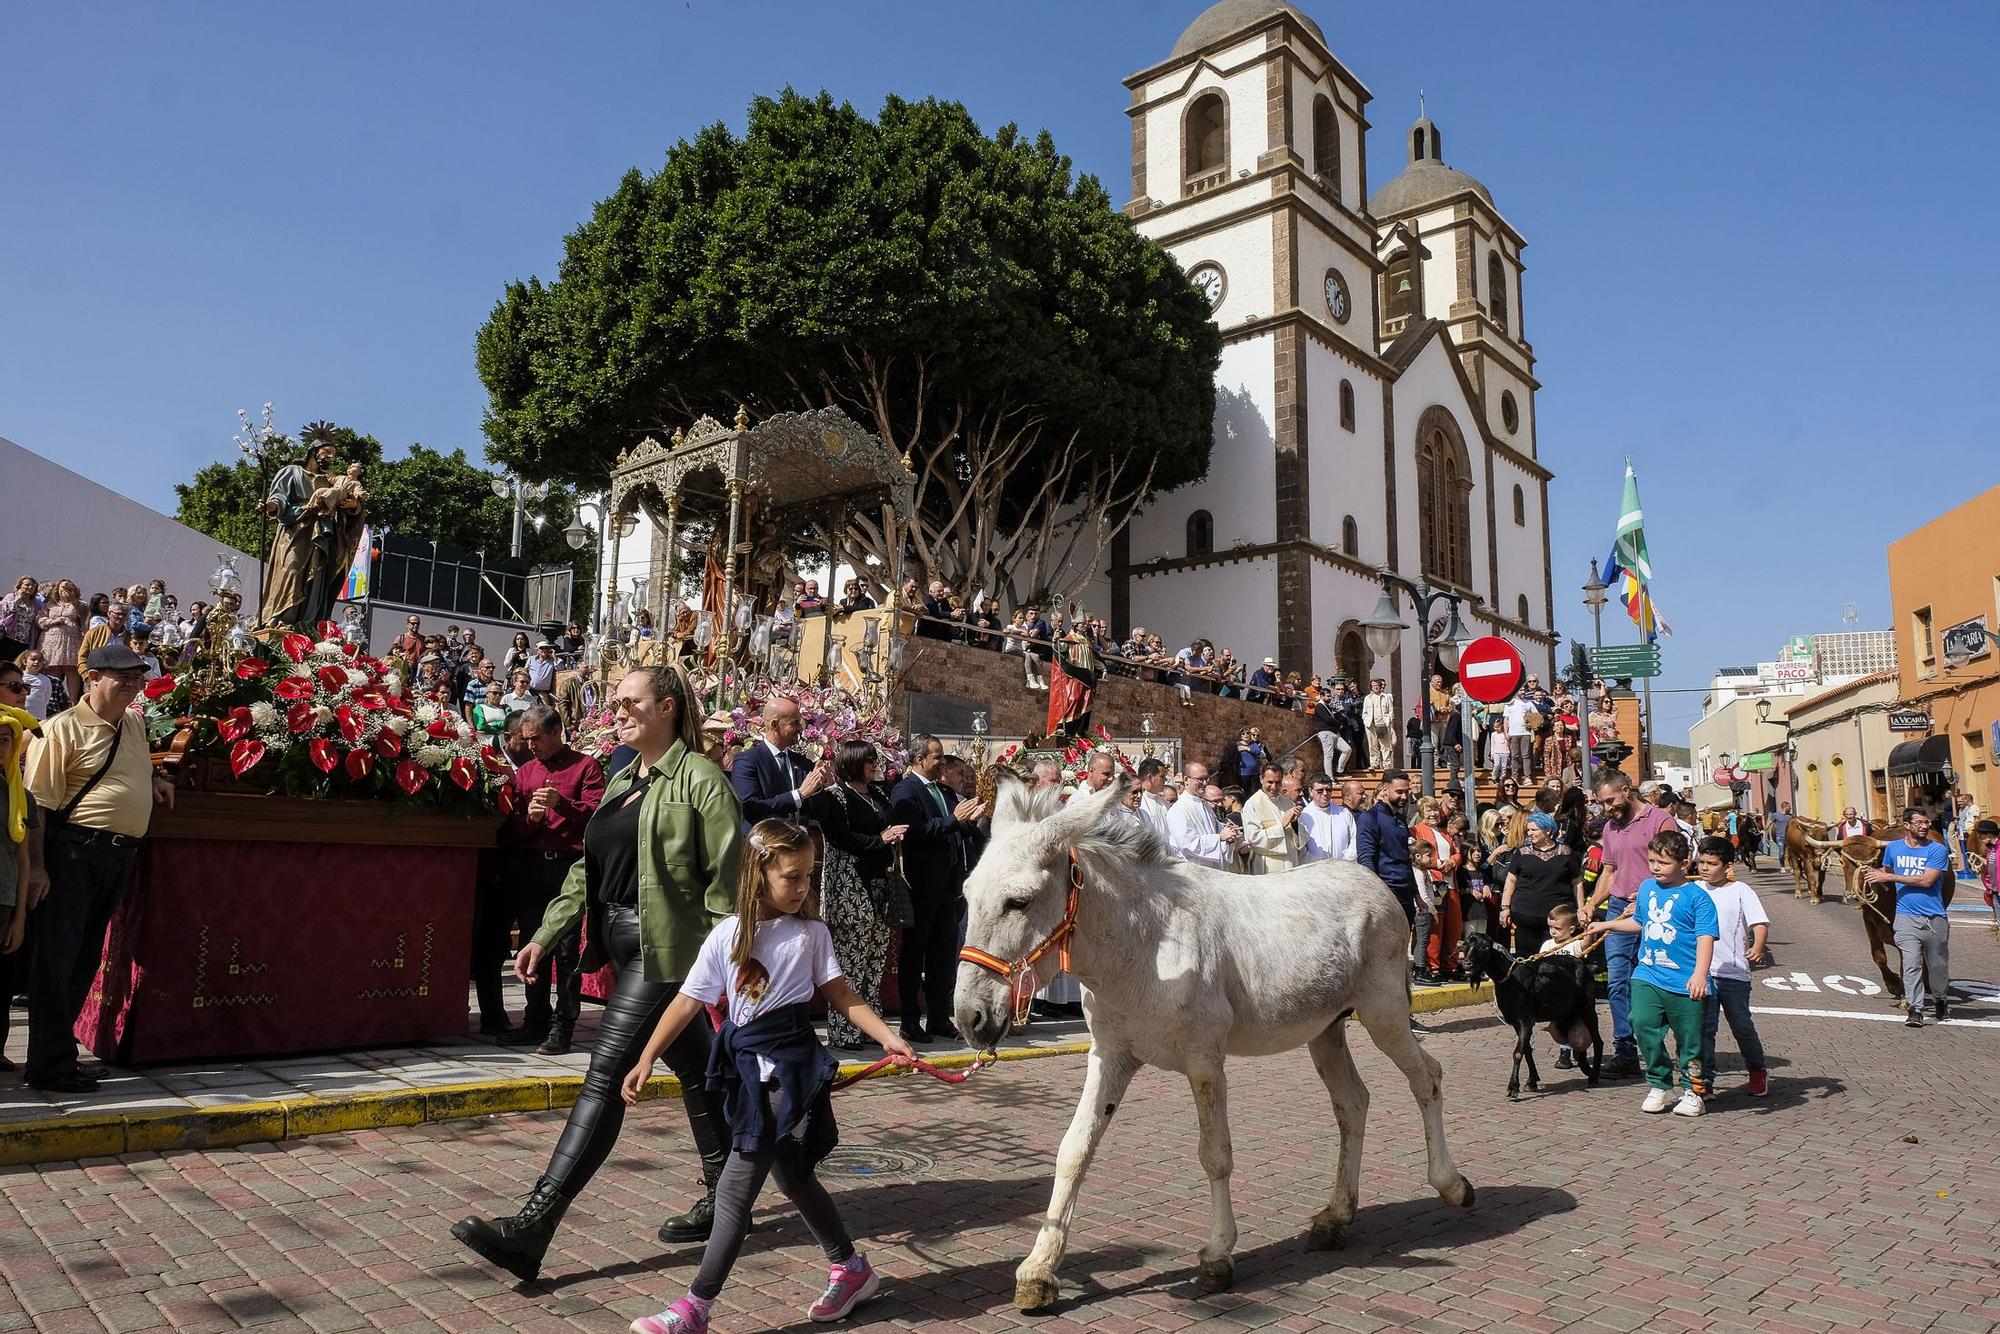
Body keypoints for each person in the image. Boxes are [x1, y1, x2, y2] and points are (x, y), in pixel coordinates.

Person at [452, 664, 742, 1279]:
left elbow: (728, 882)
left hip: (667, 951)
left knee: (605, 1074)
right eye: (614, 701)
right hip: (619, 940)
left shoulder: (702, 781)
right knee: (696, 1068)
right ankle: (727, 1197)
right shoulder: (619, 779)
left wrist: (724, 968)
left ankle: (533, 1226)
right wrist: (545, 933)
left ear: (666, 706)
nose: (617, 709)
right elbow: (587, 868)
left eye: (629, 701)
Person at [620, 819, 909, 1333]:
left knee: (734, 1190)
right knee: (792, 1175)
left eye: (808, 876)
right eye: (792, 877)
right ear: (759, 874)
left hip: (792, 1071)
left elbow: (842, 995)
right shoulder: (726, 936)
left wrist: (886, 1037)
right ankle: (851, 1267)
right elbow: (688, 1001)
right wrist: (645, 1057)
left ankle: (694, 1310)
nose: (803, 888)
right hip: (746, 1070)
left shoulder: (812, 934)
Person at [21, 643, 175, 1092]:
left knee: (85, 956)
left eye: (136, 677)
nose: (131, 684)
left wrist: (153, 781)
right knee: (57, 959)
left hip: (118, 854)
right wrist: (37, 870)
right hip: (72, 853)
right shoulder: (60, 729)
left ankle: (58, 1053)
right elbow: (38, 808)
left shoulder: (134, 724)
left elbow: (127, 771)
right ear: (92, 678)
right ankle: (48, 1065)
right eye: (121, 676)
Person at [1583, 829, 1716, 1117]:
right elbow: (1640, 922)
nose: (1655, 867)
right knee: (1641, 1022)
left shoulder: (1698, 897)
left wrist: (1700, 974)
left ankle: (1694, 1090)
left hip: (1684, 980)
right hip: (1649, 973)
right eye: (1652, 861)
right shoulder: (1646, 888)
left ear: (1684, 864)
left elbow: (1706, 936)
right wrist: (1606, 926)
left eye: (1663, 863)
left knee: (1690, 1039)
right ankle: (1660, 1084)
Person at [496, 706, 605, 1055]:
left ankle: (563, 1026)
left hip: (569, 868)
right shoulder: (526, 772)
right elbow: (510, 831)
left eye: (536, 739)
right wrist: (528, 819)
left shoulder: (585, 767)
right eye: (526, 740)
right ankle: (535, 1020)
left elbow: (599, 818)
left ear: (557, 731)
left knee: (568, 950)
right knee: (532, 943)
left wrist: (563, 804)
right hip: (533, 867)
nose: (531, 747)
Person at [1584, 769, 1681, 1078]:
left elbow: (1676, 865)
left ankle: (1668, 1045)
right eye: (1602, 804)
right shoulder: (1611, 828)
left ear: (1627, 790)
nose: (1607, 808)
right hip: (1618, 908)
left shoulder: (1660, 821)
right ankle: (1625, 1050)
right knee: (1617, 980)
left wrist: (1649, 892)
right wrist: (1591, 903)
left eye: (1610, 801)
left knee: (1659, 978)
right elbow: (1609, 872)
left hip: (1657, 909)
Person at [890, 734, 986, 1042]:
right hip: (922, 885)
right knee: (915, 952)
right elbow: (915, 832)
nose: (941, 762)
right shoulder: (906, 791)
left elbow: (955, 827)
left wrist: (969, 821)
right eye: (936, 757)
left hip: (949, 886)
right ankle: (909, 1019)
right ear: (919, 760)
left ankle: (937, 1016)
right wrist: (953, 821)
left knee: (942, 955)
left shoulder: (944, 791)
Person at [816, 741, 909, 1051]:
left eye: (875, 760)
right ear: (852, 763)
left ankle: (870, 1026)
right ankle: (843, 1030)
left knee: (874, 960)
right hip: (851, 889)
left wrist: (893, 834)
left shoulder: (878, 793)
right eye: (868, 760)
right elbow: (840, 838)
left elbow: (891, 819)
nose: (874, 765)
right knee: (851, 961)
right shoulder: (836, 796)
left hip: (880, 885)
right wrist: (880, 839)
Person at [1690, 836, 1769, 1096]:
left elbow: (1758, 922)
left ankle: (1757, 1071)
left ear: (1726, 866)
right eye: (1701, 862)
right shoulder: (1693, 890)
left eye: (1711, 863)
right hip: (1702, 973)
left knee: (1742, 1026)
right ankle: (1705, 1082)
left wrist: (1757, 946)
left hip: (1734, 972)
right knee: (1705, 1030)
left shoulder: (1741, 890)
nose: (1704, 868)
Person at [1865, 807, 1954, 1026]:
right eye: (1920, 823)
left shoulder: (1937, 850)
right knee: (1912, 963)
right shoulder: (1893, 848)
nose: (1925, 826)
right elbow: (1885, 875)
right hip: (1905, 917)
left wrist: (1889, 875)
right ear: (1907, 825)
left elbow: (1926, 881)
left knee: (1937, 966)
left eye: (1927, 823)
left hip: (1934, 917)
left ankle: (1941, 999)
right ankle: (1915, 1009)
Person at [731, 696, 831, 831]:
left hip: (797, 846)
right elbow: (750, 808)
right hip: (764, 845)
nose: (801, 728)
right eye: (794, 723)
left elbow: (820, 814)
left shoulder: (802, 763)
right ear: (774, 725)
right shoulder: (747, 761)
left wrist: (817, 786)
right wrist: (799, 795)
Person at [0, 702, 36, 1066]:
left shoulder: (19, 796)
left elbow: (24, 860)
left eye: (4, 741)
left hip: (5, 901)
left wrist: (20, 919)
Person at [1498, 811, 1579, 959]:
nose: (1530, 833)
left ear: (1548, 830)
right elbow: (1510, 880)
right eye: (1528, 830)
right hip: (1525, 914)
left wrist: (1580, 909)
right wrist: (1505, 908)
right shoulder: (1522, 852)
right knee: (1526, 959)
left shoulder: (1566, 852)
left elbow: (1576, 883)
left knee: (1554, 959)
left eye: (1533, 830)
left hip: (1557, 918)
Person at [1410, 796, 1462, 984]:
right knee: (1435, 928)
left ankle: (1451, 965)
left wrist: (1453, 861)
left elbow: (1457, 853)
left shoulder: (1444, 832)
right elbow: (1416, 857)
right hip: (1433, 884)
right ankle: (1433, 967)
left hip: (1450, 884)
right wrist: (1437, 864)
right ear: (1421, 813)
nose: (1433, 814)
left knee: (1454, 927)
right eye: (1428, 810)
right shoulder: (1416, 831)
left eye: (1435, 810)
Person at [1356, 771, 1416, 928]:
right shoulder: (1370, 818)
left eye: (1406, 791)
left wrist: (1416, 894)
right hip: (1387, 891)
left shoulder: (1400, 819)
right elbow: (1365, 858)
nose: (1404, 796)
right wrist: (1378, 893)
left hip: (1405, 891)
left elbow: (1406, 857)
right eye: (1399, 792)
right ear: (1384, 789)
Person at [1167, 760, 1239, 869]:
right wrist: (1220, 837)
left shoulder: (1205, 806)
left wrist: (1230, 836)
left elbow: (1217, 831)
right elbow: (1189, 844)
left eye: (1207, 779)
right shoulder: (1178, 810)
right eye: (1200, 779)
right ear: (1186, 780)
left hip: (1211, 871)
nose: (1205, 783)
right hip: (1192, 871)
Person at [1238, 765, 1299, 874]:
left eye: (1278, 782)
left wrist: (1295, 823)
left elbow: (1295, 838)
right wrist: (1281, 825)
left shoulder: (1288, 802)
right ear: (1261, 779)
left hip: (1290, 862)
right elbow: (1253, 838)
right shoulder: (1253, 804)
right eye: (1270, 782)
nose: (1274, 787)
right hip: (1267, 866)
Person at [36, 580, 85, 703]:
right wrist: (54, 621)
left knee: (72, 669)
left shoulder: (79, 604)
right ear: (57, 589)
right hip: (51, 639)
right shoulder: (50, 604)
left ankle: (73, 701)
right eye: (63, 588)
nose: (65, 591)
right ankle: (52, 700)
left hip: (72, 639)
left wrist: (74, 599)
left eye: (69, 588)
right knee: (53, 668)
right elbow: (40, 620)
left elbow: (85, 617)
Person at [16, 649, 61, 721]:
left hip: (39, 716)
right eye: (33, 659)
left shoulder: (46, 680)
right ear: (25, 661)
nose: (36, 662)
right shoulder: (18, 676)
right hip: (20, 715)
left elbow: (46, 698)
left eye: (40, 660)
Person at [1361, 678, 1397, 770]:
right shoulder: (1367, 698)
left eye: (1377, 685)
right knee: (1372, 744)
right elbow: (1364, 712)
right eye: (1374, 686)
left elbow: (1391, 710)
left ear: (1380, 686)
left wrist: (1389, 719)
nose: (1376, 687)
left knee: (1385, 745)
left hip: (1383, 723)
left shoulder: (1386, 697)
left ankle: (1387, 764)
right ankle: (1374, 763)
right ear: (1371, 687)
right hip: (1370, 724)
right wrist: (1365, 720)